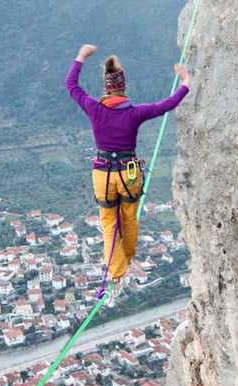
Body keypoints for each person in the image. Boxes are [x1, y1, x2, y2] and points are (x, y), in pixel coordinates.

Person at [65, 44, 191, 288]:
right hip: (128, 173)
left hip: (103, 173)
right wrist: (185, 82)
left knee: (109, 222)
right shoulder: (135, 113)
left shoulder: (94, 109)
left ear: (106, 87)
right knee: (130, 218)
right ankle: (128, 257)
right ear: (123, 87)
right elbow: (167, 104)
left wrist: (81, 56)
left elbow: (72, 85)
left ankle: (116, 271)